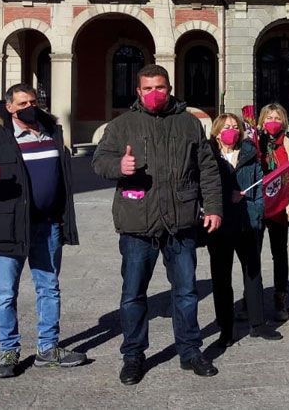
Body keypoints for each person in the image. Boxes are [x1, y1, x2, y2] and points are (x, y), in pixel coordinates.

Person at [91, 64, 223, 385]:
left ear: (170, 88)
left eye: (160, 87)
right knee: (133, 294)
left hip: (181, 222)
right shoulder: (122, 125)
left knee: (187, 292)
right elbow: (99, 161)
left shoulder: (190, 123)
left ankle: (190, 350)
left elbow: (206, 167)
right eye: (147, 88)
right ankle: (134, 355)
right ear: (138, 91)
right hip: (138, 223)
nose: (154, 94)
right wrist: (119, 165)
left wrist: (214, 207)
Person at [0, 85, 85, 378]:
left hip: (48, 225)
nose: (30, 107)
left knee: (49, 288)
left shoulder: (51, 133)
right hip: (9, 227)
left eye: (33, 101)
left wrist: (62, 218)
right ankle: (9, 350)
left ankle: (48, 349)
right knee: (6, 293)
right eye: (22, 103)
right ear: (9, 107)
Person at [207, 113, 282, 344]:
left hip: (248, 222)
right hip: (220, 226)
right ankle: (226, 328)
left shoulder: (249, 154)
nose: (232, 130)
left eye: (235, 127)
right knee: (221, 277)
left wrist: (255, 209)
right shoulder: (209, 157)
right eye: (226, 127)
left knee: (253, 273)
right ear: (217, 131)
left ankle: (257, 323)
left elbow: (260, 189)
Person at [256, 103, 289, 322]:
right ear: (261, 121)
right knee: (251, 255)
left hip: (280, 208)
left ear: (283, 121)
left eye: (276, 118)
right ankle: (252, 300)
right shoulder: (254, 142)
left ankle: (280, 298)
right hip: (256, 208)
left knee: (279, 254)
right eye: (268, 118)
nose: (272, 122)